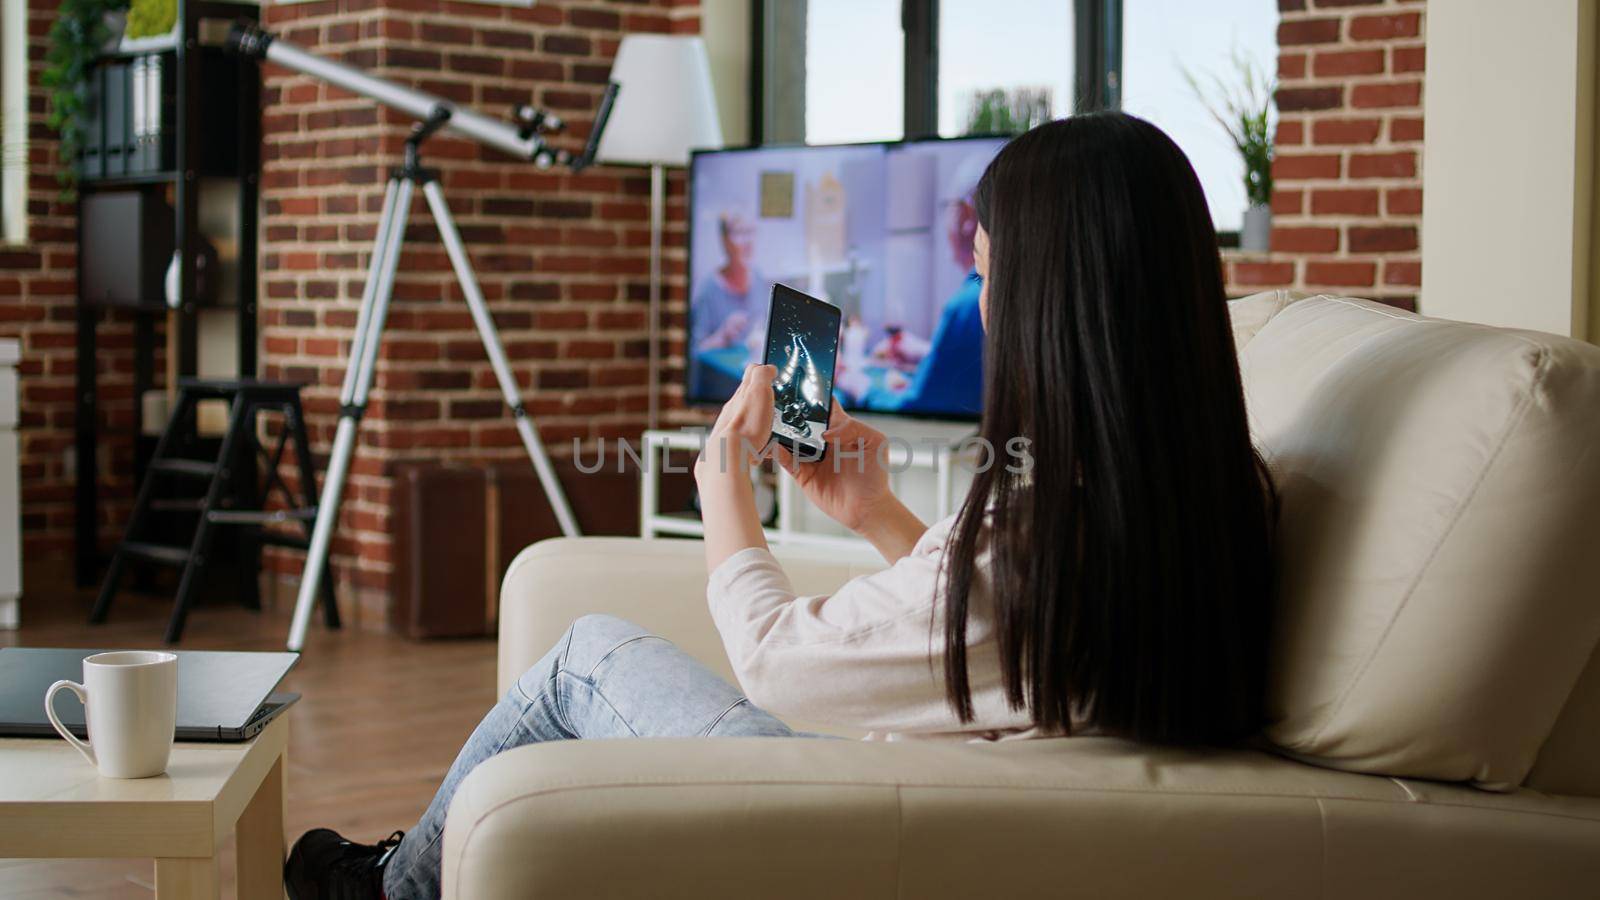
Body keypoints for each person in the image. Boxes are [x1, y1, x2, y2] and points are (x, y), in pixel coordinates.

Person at [283, 112, 1278, 900]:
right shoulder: (1211, 497)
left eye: (986, 271)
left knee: (586, 656)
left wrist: (723, 479)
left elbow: (777, 666)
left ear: (1047, 298)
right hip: (972, 804)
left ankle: (391, 889)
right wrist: (878, 514)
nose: (982, 305)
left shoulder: (1032, 549)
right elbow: (1006, 643)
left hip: (886, 819)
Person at [876, 152, 989, 415]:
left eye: (948, 208)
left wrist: (856, 386)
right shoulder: (985, 292)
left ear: (966, 215)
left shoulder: (969, 304)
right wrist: (927, 353)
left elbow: (915, 407)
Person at [688, 212, 772, 397]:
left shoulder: (758, 279)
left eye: (750, 232)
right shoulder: (708, 289)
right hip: (721, 394)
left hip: (753, 392)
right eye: (739, 232)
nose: (747, 241)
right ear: (725, 240)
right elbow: (694, 354)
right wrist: (722, 336)